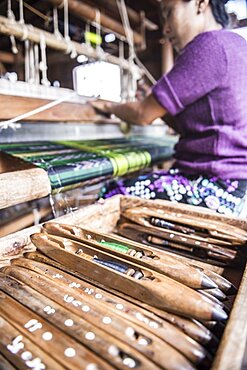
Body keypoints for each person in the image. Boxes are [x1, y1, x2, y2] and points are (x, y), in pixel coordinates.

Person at [91, 0, 247, 216]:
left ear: (200, 3)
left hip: (214, 186)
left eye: (169, 12)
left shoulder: (208, 45)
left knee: (114, 192)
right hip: (237, 185)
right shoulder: (236, 44)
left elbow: (142, 114)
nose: (165, 28)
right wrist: (158, 106)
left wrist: (108, 106)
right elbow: (200, 126)